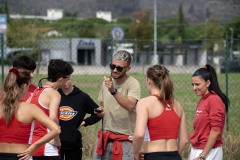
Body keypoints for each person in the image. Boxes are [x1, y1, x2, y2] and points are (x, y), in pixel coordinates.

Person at [0, 67, 60, 160]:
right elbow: (56, 129)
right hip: (22, 156)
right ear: (24, 86)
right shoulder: (30, 108)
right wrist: (35, 146)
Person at [133, 64, 188, 160]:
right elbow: (184, 140)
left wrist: (135, 152)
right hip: (174, 155)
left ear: (149, 81)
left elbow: (139, 134)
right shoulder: (177, 105)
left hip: (154, 155)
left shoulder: (144, 103)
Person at [93, 50, 141, 160]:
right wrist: (99, 111)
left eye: (119, 68)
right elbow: (102, 106)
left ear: (128, 69)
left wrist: (113, 91)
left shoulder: (133, 83)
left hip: (124, 141)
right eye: (112, 66)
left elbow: (130, 105)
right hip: (105, 137)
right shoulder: (106, 82)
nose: (114, 70)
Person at [30, 59, 74, 160]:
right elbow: (53, 117)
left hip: (33, 146)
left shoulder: (37, 91)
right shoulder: (54, 94)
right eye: (67, 78)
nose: (67, 81)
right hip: (47, 148)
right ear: (60, 79)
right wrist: (57, 138)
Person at [188, 64, 230, 160]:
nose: (194, 88)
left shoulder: (214, 100)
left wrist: (202, 156)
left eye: (197, 84)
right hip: (198, 149)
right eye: (193, 84)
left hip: (209, 151)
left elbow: (215, 131)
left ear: (208, 83)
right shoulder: (203, 99)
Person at [58, 78, 102, 160]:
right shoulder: (54, 95)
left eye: (67, 79)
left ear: (70, 78)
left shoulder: (82, 97)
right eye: (62, 80)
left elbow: (99, 113)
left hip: (74, 144)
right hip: (55, 144)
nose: (65, 82)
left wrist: (85, 122)